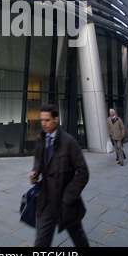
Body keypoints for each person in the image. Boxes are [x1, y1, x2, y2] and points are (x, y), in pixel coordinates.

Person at [28, 104, 90, 247]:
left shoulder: (69, 142)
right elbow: (38, 160)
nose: (43, 124)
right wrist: (35, 172)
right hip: (46, 201)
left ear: (56, 119)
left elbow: (83, 172)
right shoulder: (41, 138)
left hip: (66, 202)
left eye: (47, 120)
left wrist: (68, 197)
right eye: (41, 120)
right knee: (41, 242)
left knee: (78, 237)